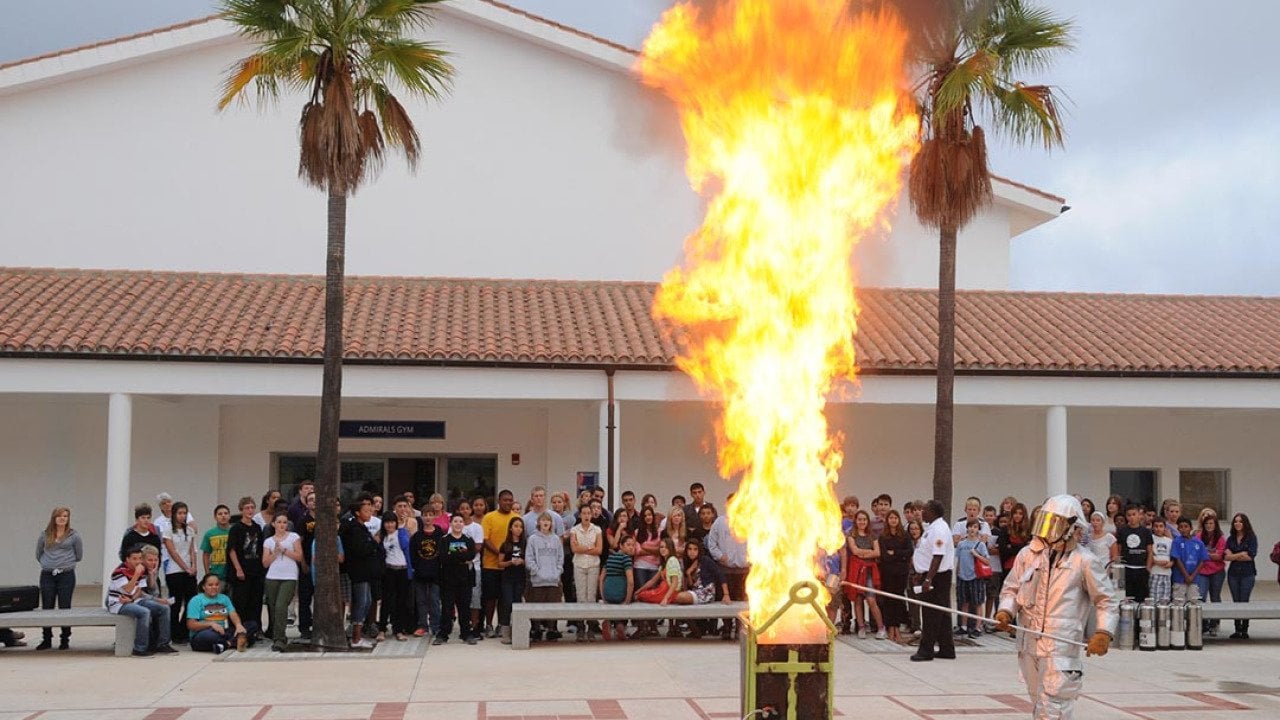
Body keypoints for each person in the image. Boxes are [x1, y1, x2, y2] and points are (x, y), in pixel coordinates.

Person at [993, 495, 1118, 720]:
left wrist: (1104, 632)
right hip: (1029, 643)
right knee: (1039, 703)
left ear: (1071, 527)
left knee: (1053, 707)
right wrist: (1006, 611)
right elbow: (1011, 589)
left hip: (1060, 647)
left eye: (1055, 522)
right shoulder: (1028, 555)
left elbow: (1106, 599)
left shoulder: (1084, 561)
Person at [107, 545, 176, 657]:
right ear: (127, 559)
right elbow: (128, 589)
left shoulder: (141, 570)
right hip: (118, 603)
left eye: (139, 558)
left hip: (134, 600)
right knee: (144, 612)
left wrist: (132, 598)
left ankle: (163, 644)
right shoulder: (119, 572)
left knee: (164, 608)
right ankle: (140, 648)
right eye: (134, 559)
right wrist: (136, 574)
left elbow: (139, 590)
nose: (138, 561)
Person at [909, 500, 955, 662]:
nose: (922, 512)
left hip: (937, 576)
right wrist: (919, 572)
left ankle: (926, 650)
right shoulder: (932, 527)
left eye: (925, 510)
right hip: (930, 574)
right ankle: (946, 648)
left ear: (933, 512)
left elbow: (938, 555)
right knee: (941, 614)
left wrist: (928, 578)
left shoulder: (940, 529)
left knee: (931, 613)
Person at [35, 506, 82, 650]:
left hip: (66, 574)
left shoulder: (74, 536)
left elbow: (79, 555)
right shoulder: (45, 535)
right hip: (48, 574)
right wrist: (48, 563)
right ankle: (46, 638)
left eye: (66, 516)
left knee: (64, 606)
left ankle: (65, 639)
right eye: (60, 516)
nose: (62, 518)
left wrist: (65, 563)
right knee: (47, 605)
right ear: (54, 518)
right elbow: (38, 553)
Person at [339, 494, 382, 648]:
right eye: (366, 510)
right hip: (358, 571)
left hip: (366, 570)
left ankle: (358, 633)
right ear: (357, 512)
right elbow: (360, 549)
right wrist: (374, 542)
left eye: (370, 509)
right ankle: (356, 637)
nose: (370, 511)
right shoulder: (354, 528)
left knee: (368, 601)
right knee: (362, 602)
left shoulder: (361, 527)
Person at [706, 496, 749, 640]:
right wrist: (720, 556)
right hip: (726, 569)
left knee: (742, 600)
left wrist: (752, 558)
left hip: (744, 569)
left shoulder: (750, 521)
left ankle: (739, 627)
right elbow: (711, 543)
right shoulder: (719, 522)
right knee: (727, 600)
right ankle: (726, 627)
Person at [666, 538, 729, 633]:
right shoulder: (687, 563)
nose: (692, 552)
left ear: (699, 551)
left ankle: (698, 629)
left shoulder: (705, 560)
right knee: (678, 600)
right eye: (690, 549)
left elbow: (720, 574)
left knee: (679, 597)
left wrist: (726, 594)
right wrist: (688, 573)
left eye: (695, 549)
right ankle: (697, 630)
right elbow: (691, 585)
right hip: (695, 592)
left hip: (706, 592)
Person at [262, 511, 302, 652]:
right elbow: (265, 563)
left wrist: (284, 551)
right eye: (279, 522)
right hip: (272, 576)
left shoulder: (293, 537)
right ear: (273, 524)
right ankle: (276, 635)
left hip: (289, 576)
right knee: (273, 607)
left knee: (281, 605)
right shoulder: (268, 541)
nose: (282, 525)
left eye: (284, 522)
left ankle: (280, 638)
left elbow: (299, 556)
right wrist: (276, 552)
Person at [480, 489, 518, 638]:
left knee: (505, 597)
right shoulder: (489, 517)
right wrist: (500, 554)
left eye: (510, 500)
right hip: (491, 565)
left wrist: (508, 558)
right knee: (490, 597)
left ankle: (502, 625)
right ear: (499, 501)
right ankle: (488, 624)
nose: (508, 502)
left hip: (508, 566)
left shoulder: (516, 517)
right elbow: (485, 539)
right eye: (505, 500)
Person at [436, 512, 478, 645]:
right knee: (447, 609)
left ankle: (466, 634)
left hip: (464, 580)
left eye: (460, 521)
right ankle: (443, 634)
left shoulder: (468, 540)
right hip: (448, 580)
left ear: (463, 524)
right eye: (455, 521)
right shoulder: (444, 540)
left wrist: (453, 554)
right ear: (451, 524)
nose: (458, 524)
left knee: (464, 608)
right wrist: (461, 557)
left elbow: (471, 555)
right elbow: (443, 558)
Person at [160, 501, 199, 643]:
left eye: (184, 513)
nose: (182, 516)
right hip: (174, 571)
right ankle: (173, 633)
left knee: (191, 601)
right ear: (174, 514)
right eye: (180, 513)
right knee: (176, 603)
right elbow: (172, 551)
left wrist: (194, 566)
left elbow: (192, 550)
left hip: (189, 571)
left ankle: (183, 631)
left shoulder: (189, 530)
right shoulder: (168, 530)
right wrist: (185, 567)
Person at [186, 573, 255, 654]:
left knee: (252, 625)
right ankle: (238, 641)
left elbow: (233, 613)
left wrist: (238, 625)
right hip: (203, 633)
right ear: (204, 587)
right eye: (210, 585)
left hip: (224, 631)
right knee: (211, 636)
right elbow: (191, 625)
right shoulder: (196, 600)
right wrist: (211, 624)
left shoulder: (224, 598)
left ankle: (226, 644)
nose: (214, 587)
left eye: (217, 584)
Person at [226, 496, 266, 635]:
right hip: (242, 571)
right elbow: (231, 550)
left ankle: (254, 629)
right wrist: (238, 569)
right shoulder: (236, 528)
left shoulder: (257, 527)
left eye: (252, 507)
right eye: (247, 508)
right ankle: (238, 628)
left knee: (255, 603)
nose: (250, 510)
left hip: (255, 570)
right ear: (241, 510)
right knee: (240, 602)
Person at [843, 510, 885, 639]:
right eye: (860, 519)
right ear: (856, 521)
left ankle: (881, 628)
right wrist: (868, 552)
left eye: (864, 520)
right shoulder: (851, 534)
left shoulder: (872, 535)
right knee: (858, 599)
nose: (862, 522)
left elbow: (877, 553)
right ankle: (861, 627)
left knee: (871, 600)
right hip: (856, 569)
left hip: (869, 571)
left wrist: (864, 553)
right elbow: (854, 551)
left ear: (868, 521)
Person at [525, 512, 564, 642]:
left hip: (553, 579)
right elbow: (529, 558)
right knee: (536, 606)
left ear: (551, 523)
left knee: (553, 606)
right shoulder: (532, 539)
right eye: (543, 520)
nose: (546, 522)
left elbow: (560, 558)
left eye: (548, 520)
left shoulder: (556, 539)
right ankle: (536, 629)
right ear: (539, 523)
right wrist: (536, 571)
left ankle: (552, 629)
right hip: (538, 580)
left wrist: (557, 572)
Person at [378, 511, 414, 641]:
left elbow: (405, 545)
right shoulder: (382, 537)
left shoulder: (401, 533)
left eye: (392, 522)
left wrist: (403, 527)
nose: (389, 525)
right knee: (387, 601)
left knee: (401, 601)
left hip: (402, 570)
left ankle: (398, 629)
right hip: (388, 571)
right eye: (387, 522)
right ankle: (382, 629)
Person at [571, 500, 603, 641]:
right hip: (578, 565)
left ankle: (591, 627)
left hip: (593, 565)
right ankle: (580, 627)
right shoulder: (574, 530)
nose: (586, 515)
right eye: (584, 513)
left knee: (591, 596)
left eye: (589, 513)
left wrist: (583, 549)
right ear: (580, 515)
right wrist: (590, 548)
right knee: (580, 596)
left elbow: (599, 550)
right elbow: (574, 549)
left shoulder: (597, 530)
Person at [408, 510, 444, 638]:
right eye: (425, 515)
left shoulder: (440, 534)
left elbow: (443, 553)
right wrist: (415, 569)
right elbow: (412, 555)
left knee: (434, 600)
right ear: (421, 517)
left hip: (436, 573)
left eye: (430, 515)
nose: (428, 518)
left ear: (434, 516)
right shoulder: (417, 536)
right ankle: (422, 625)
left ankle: (436, 626)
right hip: (420, 573)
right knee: (421, 601)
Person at [877, 509, 911, 643]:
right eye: (891, 518)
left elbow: (909, 552)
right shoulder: (883, 537)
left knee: (898, 599)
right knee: (888, 600)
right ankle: (890, 627)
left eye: (895, 518)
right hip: (887, 573)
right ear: (887, 520)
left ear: (898, 520)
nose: (893, 520)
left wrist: (895, 552)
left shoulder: (905, 536)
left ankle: (897, 627)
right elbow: (884, 556)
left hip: (901, 573)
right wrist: (899, 555)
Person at [954, 519, 989, 639]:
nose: (972, 529)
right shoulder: (961, 544)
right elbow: (958, 560)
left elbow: (987, 561)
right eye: (970, 527)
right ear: (967, 528)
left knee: (978, 603)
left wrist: (976, 554)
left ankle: (978, 627)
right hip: (962, 577)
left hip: (976, 577)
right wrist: (957, 573)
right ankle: (963, 626)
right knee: (964, 602)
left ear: (978, 529)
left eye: (975, 527)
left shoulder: (981, 545)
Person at [1225, 513, 1257, 639]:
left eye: (1240, 521)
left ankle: (1245, 630)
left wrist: (1234, 555)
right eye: (1235, 521)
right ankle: (1237, 629)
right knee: (1236, 601)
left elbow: (1250, 556)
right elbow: (1226, 557)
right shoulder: (1230, 539)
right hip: (1233, 574)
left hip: (1247, 574)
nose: (1237, 523)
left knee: (1244, 601)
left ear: (1245, 523)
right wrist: (1241, 554)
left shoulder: (1251, 538)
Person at [599, 533, 636, 641]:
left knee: (611, 604)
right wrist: (627, 600)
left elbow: (601, 578)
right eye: (628, 545)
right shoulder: (626, 559)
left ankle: (607, 621)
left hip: (607, 593)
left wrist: (603, 596)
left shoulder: (610, 558)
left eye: (633, 545)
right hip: (620, 594)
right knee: (626, 601)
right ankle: (620, 625)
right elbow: (630, 582)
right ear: (621, 546)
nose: (631, 547)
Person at [1195, 511, 1227, 636]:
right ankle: (1203, 624)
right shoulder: (1198, 536)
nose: (1209, 525)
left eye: (1211, 523)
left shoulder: (1220, 537)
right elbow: (1197, 554)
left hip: (1217, 571)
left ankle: (1215, 624)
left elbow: (1220, 556)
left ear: (1216, 524)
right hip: (1202, 571)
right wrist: (1210, 555)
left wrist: (1205, 555)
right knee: (1201, 597)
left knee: (1215, 597)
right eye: (1207, 523)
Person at [497, 516, 527, 644]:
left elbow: (530, 560)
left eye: (520, 527)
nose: (518, 529)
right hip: (508, 578)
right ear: (510, 528)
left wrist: (522, 561)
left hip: (520, 577)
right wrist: (510, 562)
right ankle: (505, 631)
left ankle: (517, 630)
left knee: (517, 602)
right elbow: (500, 563)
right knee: (507, 603)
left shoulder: (525, 544)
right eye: (515, 526)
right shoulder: (505, 545)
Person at [1115, 503, 1153, 602]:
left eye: (1134, 514)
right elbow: (1119, 550)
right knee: (1127, 598)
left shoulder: (1146, 532)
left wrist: (1148, 567)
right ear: (1126, 516)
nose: (1132, 517)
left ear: (1139, 515)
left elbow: (1150, 551)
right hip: (1127, 569)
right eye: (1129, 515)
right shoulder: (1122, 531)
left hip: (1141, 569)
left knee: (1141, 599)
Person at [1170, 517, 1207, 603]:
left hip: (1194, 579)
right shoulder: (1176, 542)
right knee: (1178, 604)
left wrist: (1192, 576)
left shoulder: (1199, 543)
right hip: (1179, 579)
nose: (1183, 529)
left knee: (1193, 603)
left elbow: (1202, 560)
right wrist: (1186, 576)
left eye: (1186, 526)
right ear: (1178, 529)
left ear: (1191, 528)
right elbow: (1177, 559)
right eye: (1181, 527)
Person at [200, 505, 232, 590]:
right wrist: (207, 572)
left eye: (226, 513)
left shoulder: (234, 531)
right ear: (215, 517)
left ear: (229, 516)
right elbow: (206, 554)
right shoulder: (210, 534)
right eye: (220, 514)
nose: (223, 516)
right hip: (216, 573)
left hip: (233, 574)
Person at [1147, 517, 1173, 603]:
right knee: (1154, 599)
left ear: (1165, 528)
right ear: (1152, 527)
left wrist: (1171, 563)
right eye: (1156, 526)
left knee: (1165, 600)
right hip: (1155, 572)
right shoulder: (1150, 538)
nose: (1158, 528)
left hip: (1167, 574)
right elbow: (1149, 554)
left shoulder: (1169, 541)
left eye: (1161, 526)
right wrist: (1156, 562)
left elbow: (1173, 556)